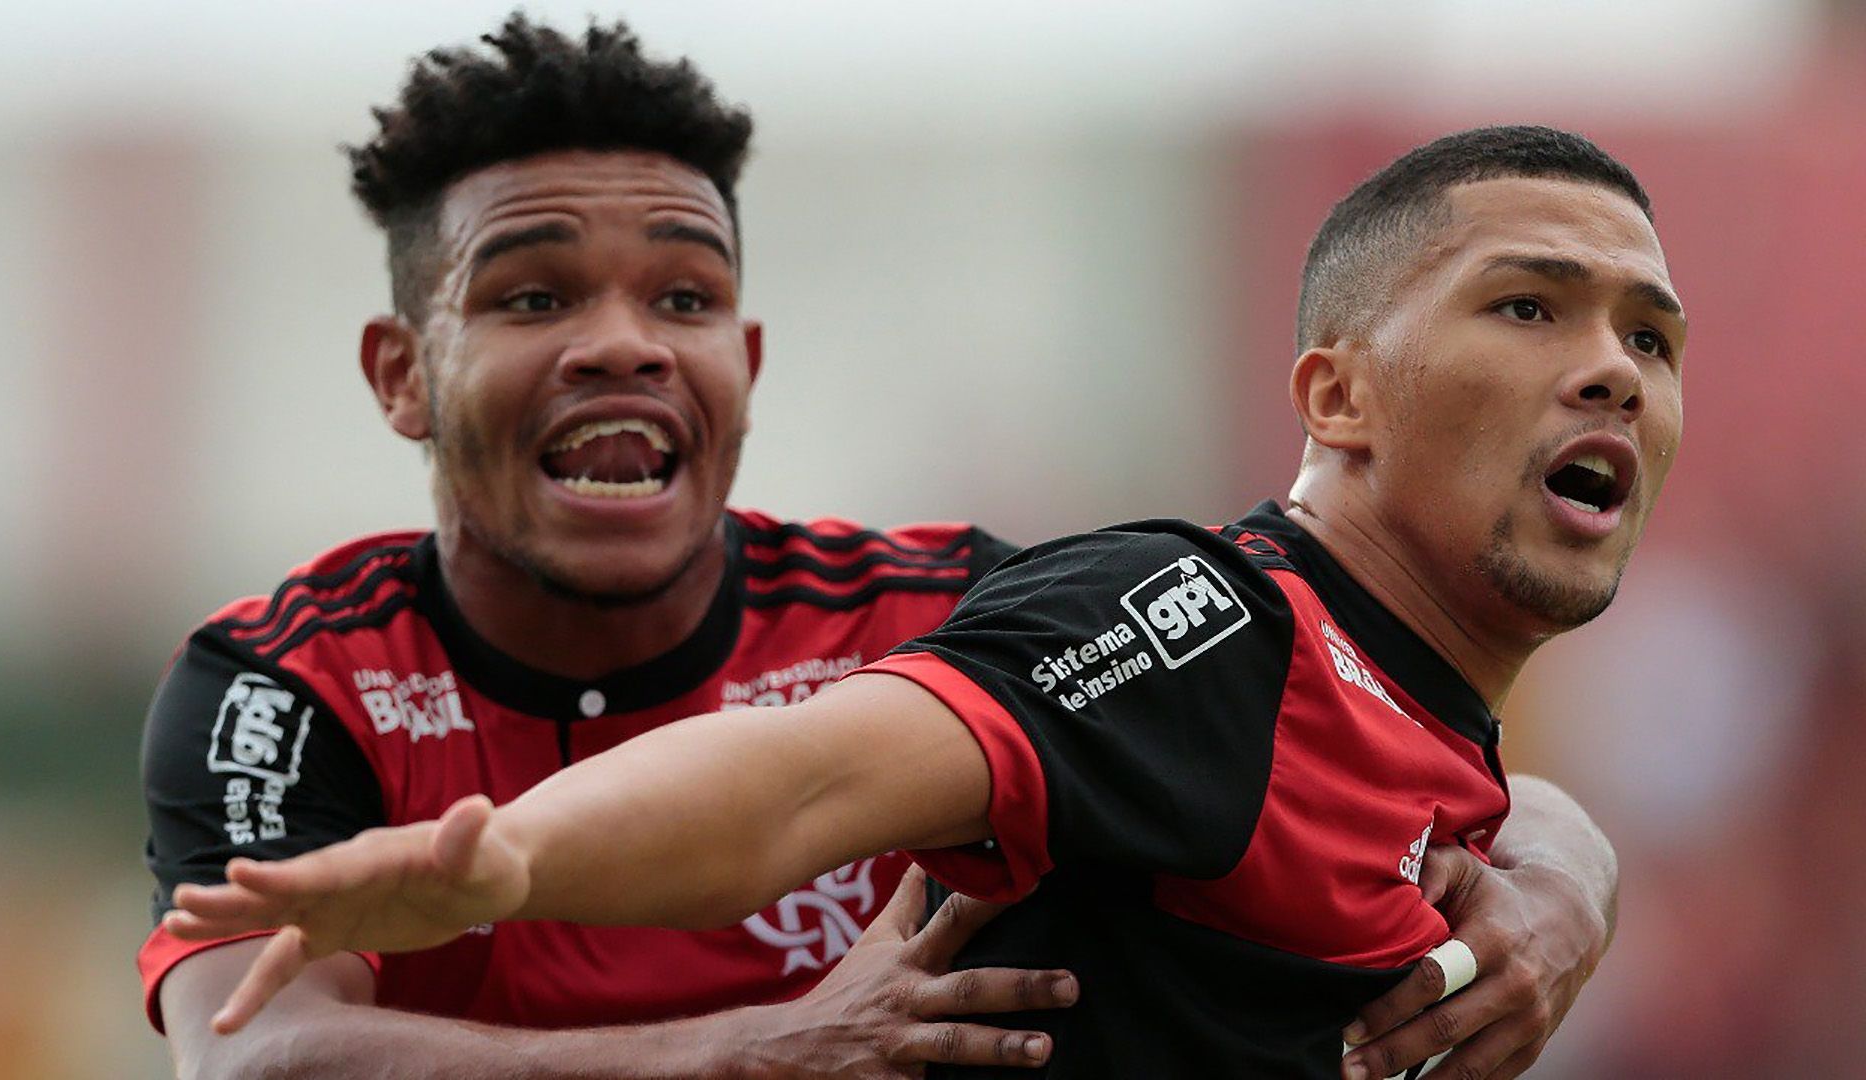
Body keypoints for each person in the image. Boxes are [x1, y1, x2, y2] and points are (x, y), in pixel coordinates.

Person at [164, 122, 1662, 1080]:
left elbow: (1317, 736)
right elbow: (255, 1059)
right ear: (399, 373)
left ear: (747, 365)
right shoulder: (289, 680)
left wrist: (1562, 880)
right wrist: (728, 1042)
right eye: (535, 297)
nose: (621, 346)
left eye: (681, 301)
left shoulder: (949, 600)